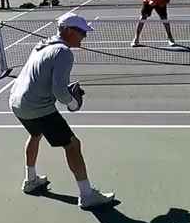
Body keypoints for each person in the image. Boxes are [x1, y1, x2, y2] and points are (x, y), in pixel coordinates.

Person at [8, 12, 115, 210]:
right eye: (81, 32)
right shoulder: (63, 52)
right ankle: (87, 195)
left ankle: (31, 181)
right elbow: (59, 91)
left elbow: (39, 78)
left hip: (17, 103)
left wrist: (66, 92)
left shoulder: (42, 45)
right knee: (73, 145)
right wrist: (73, 103)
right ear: (67, 30)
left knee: (35, 133)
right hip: (37, 107)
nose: (84, 36)